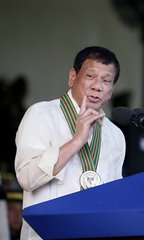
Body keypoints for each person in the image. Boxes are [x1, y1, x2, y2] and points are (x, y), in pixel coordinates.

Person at [14, 46, 126, 239]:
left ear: (111, 90)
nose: (98, 86)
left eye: (106, 80)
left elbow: (114, 198)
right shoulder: (41, 114)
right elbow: (27, 178)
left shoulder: (115, 134)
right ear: (73, 77)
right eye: (90, 76)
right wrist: (77, 141)